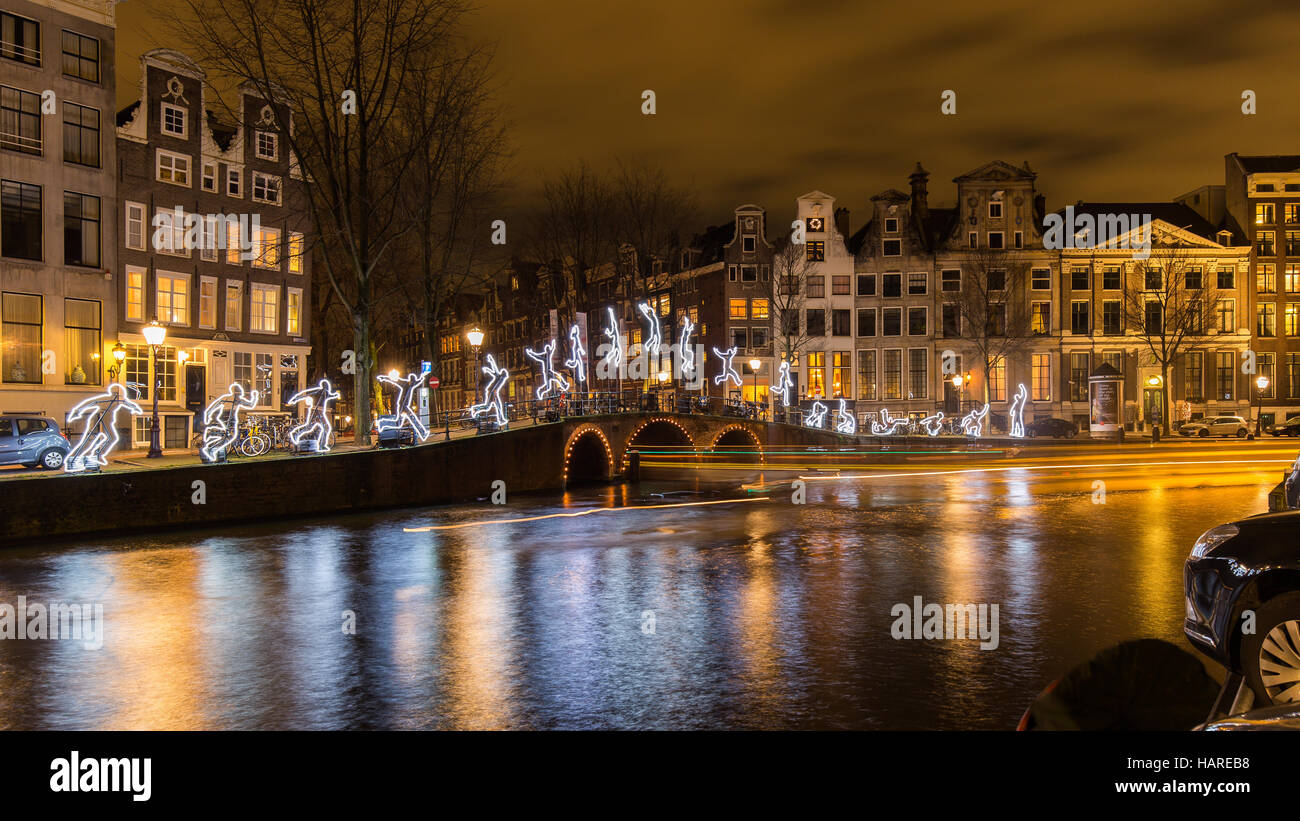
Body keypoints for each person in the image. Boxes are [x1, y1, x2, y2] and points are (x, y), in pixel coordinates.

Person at [65, 382, 145, 473]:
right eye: (120, 393)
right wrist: (78, 412)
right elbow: (92, 403)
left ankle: (95, 454)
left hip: (106, 422)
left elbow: (129, 404)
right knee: (97, 439)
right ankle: (86, 457)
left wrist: (136, 408)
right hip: (100, 420)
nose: (121, 395)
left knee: (110, 438)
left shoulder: (118, 401)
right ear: (115, 393)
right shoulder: (107, 399)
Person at [201, 383, 259, 462]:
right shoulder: (226, 398)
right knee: (226, 437)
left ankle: (215, 451)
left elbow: (250, 404)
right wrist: (208, 415)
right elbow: (214, 406)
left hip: (231, 422)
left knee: (229, 438)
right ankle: (210, 449)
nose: (240, 397)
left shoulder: (238, 401)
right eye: (239, 394)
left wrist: (255, 397)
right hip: (224, 421)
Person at [287, 378, 341, 452]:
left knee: (321, 428)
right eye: (326, 386)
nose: (327, 388)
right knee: (313, 427)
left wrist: (336, 394)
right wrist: (295, 399)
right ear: (324, 386)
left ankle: (322, 445)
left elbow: (332, 395)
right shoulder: (318, 391)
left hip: (319, 412)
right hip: (316, 411)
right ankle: (296, 434)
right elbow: (306, 394)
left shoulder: (326, 393)